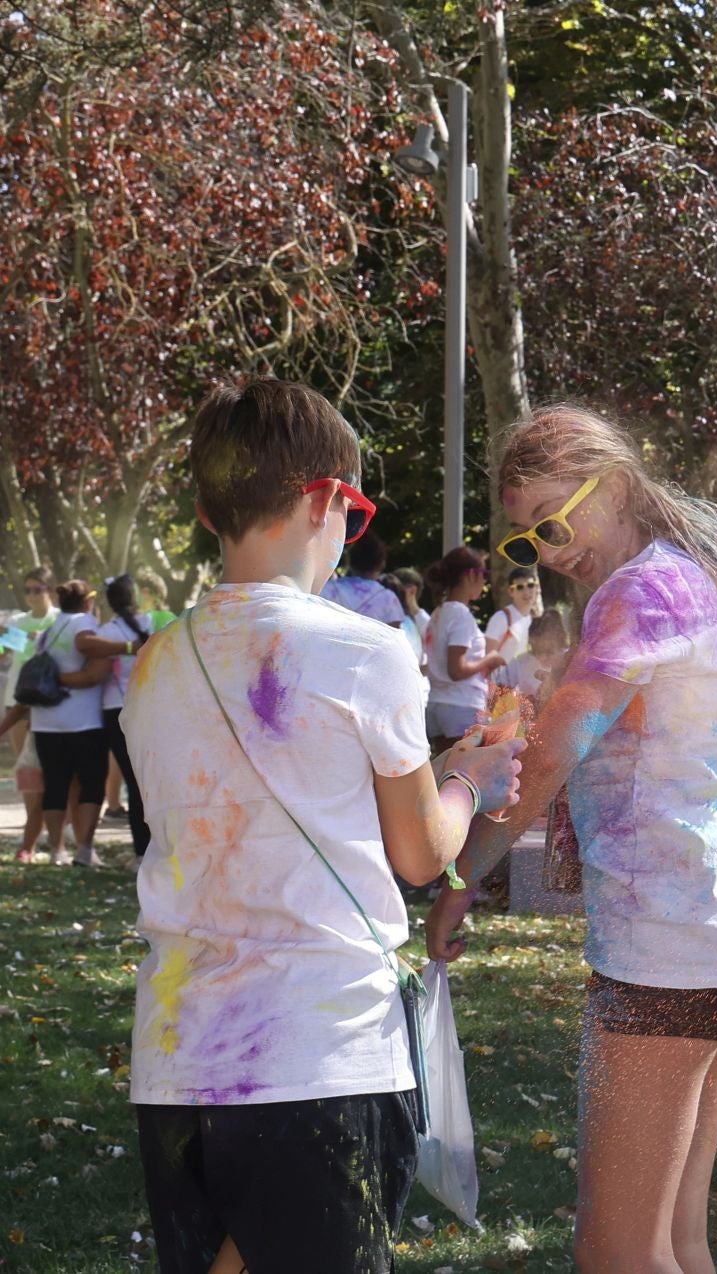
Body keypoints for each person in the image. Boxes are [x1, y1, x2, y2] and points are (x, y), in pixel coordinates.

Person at [123, 376, 524, 1274]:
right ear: (322, 499)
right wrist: (469, 775)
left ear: (206, 508)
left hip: (178, 1059)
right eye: (357, 504)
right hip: (319, 1053)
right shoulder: (362, 650)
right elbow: (423, 851)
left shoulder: (152, 665)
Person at [424, 403, 717, 1274]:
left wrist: (458, 880)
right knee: (674, 1242)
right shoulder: (688, 576)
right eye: (527, 542)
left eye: (555, 522)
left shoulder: (637, 592)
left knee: (615, 1254)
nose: (550, 552)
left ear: (618, 485)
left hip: (669, 955)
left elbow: (546, 759)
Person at [0, 579, 113, 867]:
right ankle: (85, 849)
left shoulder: (46, 632)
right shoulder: (83, 623)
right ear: (87, 602)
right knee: (89, 784)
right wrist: (128, 645)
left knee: (55, 786)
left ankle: (57, 850)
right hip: (83, 721)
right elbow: (91, 670)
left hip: (45, 721)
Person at [80, 574, 154, 858]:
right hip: (150, 709)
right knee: (149, 782)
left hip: (117, 712)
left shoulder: (107, 632)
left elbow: (86, 650)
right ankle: (155, 851)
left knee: (135, 784)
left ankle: (141, 854)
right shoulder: (151, 623)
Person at [422, 547, 507, 750]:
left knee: (445, 774)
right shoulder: (461, 615)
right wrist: (490, 659)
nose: (485, 581)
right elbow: (457, 670)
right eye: (484, 574)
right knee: (464, 776)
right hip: (461, 706)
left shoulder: (437, 613)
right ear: (471, 574)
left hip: (436, 705)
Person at [2, 566, 59, 861]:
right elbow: (4, 654)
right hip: (16, 702)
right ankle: (31, 839)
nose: (33, 596)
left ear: (50, 589)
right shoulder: (18, 621)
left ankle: (50, 838)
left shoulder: (59, 620)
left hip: (47, 703)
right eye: (28, 590)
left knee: (50, 773)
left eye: (38, 589)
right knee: (27, 773)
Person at [320, 530, 406, 627]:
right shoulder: (389, 599)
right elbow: (394, 638)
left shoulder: (326, 589)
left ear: (350, 561)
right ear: (381, 564)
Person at [497, 608, 569, 705]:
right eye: (535, 637)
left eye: (547, 637)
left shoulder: (569, 657)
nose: (544, 643)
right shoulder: (518, 663)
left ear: (557, 635)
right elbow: (501, 691)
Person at [484, 564, 542, 660]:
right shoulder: (500, 618)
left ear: (537, 588)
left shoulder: (535, 619)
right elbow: (488, 657)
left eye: (531, 585)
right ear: (511, 591)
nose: (526, 591)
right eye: (520, 587)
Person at [388, 566, 432, 669]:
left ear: (412, 591)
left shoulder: (426, 622)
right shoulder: (393, 616)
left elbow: (432, 663)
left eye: (396, 590)